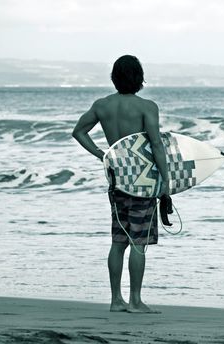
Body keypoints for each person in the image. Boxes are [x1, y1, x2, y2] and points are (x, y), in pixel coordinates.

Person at [72, 55, 169, 313]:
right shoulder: (147, 107)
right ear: (139, 78)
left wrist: (102, 154)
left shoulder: (102, 105)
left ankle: (116, 300)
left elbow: (78, 131)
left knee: (118, 241)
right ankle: (136, 301)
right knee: (138, 242)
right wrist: (167, 181)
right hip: (143, 181)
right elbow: (157, 144)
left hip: (117, 180)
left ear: (114, 77)